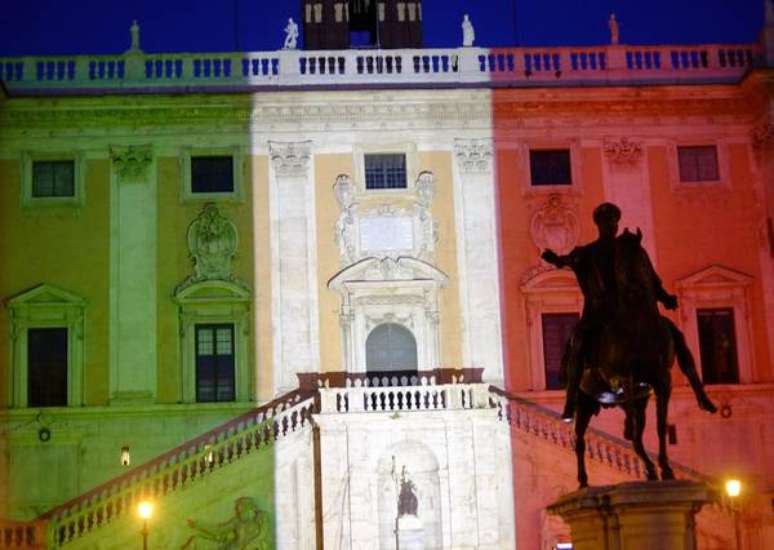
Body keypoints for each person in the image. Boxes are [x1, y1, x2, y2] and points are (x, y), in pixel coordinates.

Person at [542, 203, 678, 421]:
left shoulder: (629, 250)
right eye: (607, 223)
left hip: (625, 308)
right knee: (579, 343)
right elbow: (568, 260)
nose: (611, 226)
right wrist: (556, 259)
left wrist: (665, 297)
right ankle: (570, 402)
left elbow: (648, 278)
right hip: (598, 313)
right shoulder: (589, 252)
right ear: (600, 226)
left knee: (664, 331)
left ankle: (661, 371)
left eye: (614, 222)